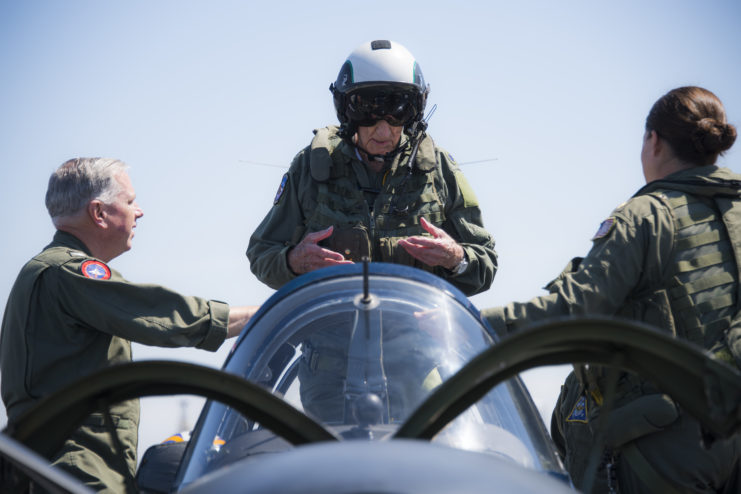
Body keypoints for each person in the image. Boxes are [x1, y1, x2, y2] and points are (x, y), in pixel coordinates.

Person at [482, 86, 741, 493]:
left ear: (653, 141)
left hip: (663, 447)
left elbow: (579, 308)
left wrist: (478, 324)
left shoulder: (647, 215)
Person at [0, 158, 259, 493]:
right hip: (79, 470)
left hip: (50, 464)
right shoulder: (71, 272)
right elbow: (158, 315)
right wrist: (259, 315)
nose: (139, 212)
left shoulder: (44, 271)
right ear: (99, 213)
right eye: (130, 201)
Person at [247, 39, 497, 296]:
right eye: (367, 113)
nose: (383, 131)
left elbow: (486, 262)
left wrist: (456, 258)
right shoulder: (311, 168)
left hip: (415, 332)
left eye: (397, 113)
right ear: (346, 111)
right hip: (335, 331)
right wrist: (292, 261)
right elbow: (261, 253)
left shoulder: (438, 170)